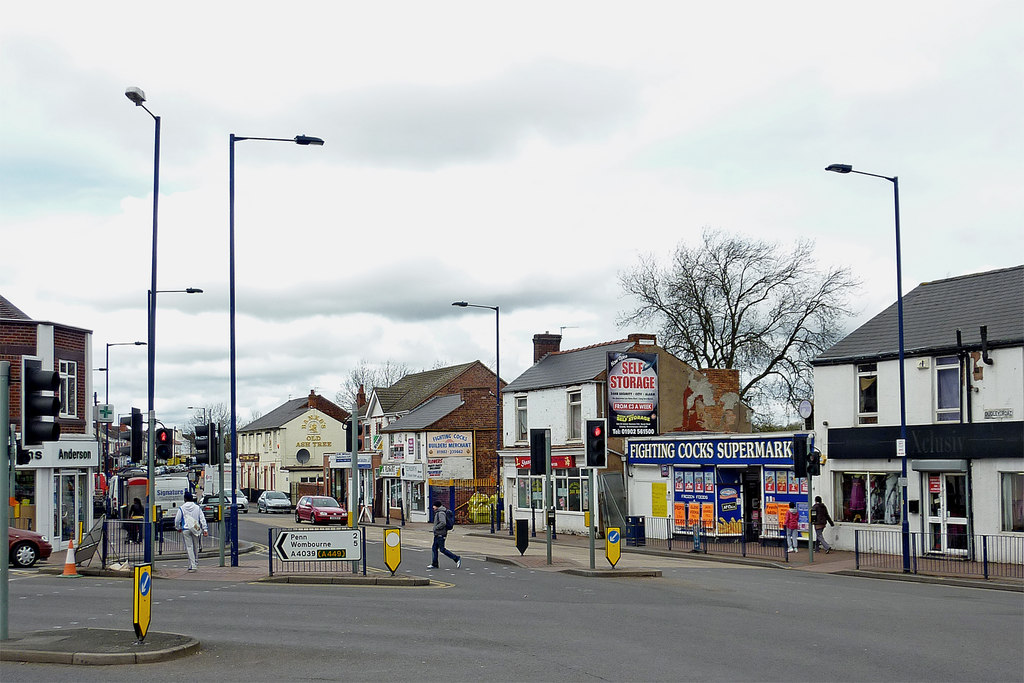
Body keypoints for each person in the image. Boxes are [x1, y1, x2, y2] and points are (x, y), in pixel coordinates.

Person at [174, 491, 208, 572]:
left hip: (186, 529)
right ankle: (195, 563)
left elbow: (177, 520)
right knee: (195, 547)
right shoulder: (197, 507)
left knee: (189, 547)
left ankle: (192, 565)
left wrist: (178, 528)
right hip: (195, 529)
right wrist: (205, 529)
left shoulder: (182, 508)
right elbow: (202, 518)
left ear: (185, 499)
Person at [428, 501, 461, 570]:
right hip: (438, 534)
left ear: (437, 506)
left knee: (442, 549)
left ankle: (456, 558)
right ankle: (434, 564)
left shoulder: (441, 513)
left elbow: (443, 523)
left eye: (433, 506)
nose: (433, 507)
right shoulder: (439, 512)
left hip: (441, 534)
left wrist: (436, 527)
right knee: (434, 548)